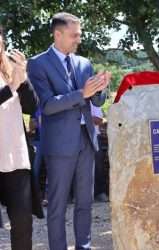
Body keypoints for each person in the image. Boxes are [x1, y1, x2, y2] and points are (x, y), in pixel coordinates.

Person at [27, 12, 110, 250]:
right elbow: (47, 105)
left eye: (79, 35)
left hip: (87, 142)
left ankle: (83, 247)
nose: (78, 40)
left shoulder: (84, 63)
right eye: (74, 35)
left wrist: (101, 89)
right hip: (59, 146)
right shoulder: (37, 64)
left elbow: (95, 101)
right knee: (57, 205)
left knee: (85, 202)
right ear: (58, 34)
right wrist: (80, 94)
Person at [0, 25, 41, 250]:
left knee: (23, 222)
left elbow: (32, 106)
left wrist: (22, 80)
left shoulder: (9, 70)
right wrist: (12, 87)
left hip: (15, 158)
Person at [90, 102, 108, 202]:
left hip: (94, 136)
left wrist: (84, 115)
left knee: (98, 165)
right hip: (76, 136)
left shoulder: (95, 102)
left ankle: (100, 192)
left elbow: (99, 120)